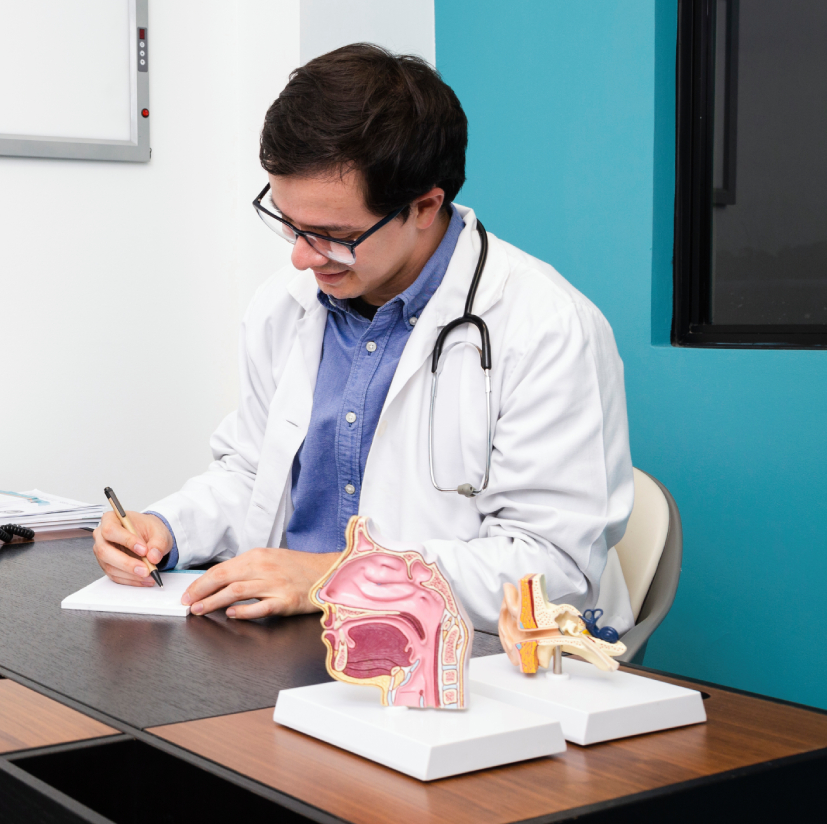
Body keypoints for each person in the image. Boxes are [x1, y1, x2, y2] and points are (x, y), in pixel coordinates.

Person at [93, 44, 635, 636]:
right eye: (289, 223)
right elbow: (254, 473)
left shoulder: (545, 327)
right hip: (294, 640)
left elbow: (551, 565)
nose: (302, 258)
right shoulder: (286, 305)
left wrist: (336, 577)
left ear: (425, 206)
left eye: (333, 234)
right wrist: (167, 529)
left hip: (462, 656)